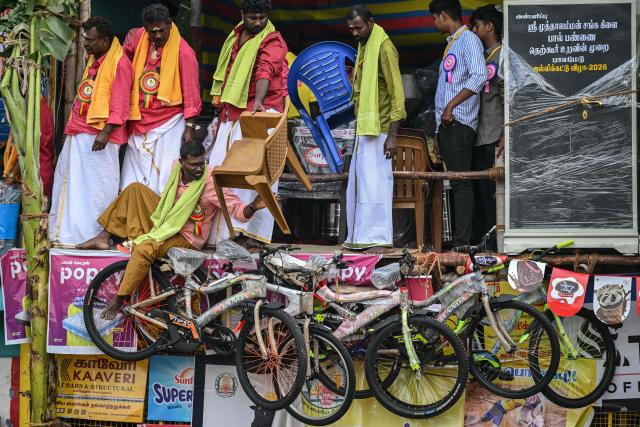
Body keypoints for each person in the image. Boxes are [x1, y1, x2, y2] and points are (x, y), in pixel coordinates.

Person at [78, 141, 268, 319]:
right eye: (193, 165)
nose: (198, 168)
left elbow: (236, 209)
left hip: (185, 238)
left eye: (201, 163)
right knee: (134, 189)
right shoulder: (174, 167)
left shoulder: (210, 182)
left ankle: (120, 298)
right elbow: (165, 202)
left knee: (145, 248)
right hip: (166, 221)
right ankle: (104, 236)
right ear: (181, 162)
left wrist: (252, 206)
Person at [207, 0, 288, 247]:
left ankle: (252, 236)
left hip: (260, 112)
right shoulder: (234, 36)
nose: (257, 22)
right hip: (232, 111)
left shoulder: (273, 40)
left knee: (254, 173)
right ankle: (224, 235)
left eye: (262, 17)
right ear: (243, 15)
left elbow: (266, 70)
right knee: (218, 168)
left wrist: (259, 103)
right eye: (253, 17)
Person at [48, 17, 133, 246]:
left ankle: (94, 236)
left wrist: (105, 132)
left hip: (100, 136)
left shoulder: (120, 63)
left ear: (105, 40)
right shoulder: (95, 59)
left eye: (90, 40)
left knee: (97, 188)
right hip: (80, 130)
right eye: (85, 39)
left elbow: (120, 103)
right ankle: (70, 235)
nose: (85, 44)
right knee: (72, 182)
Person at [342, 5, 406, 254]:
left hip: (380, 129)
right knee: (362, 184)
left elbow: (397, 95)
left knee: (377, 184)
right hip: (365, 127)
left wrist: (393, 136)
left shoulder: (384, 47)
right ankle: (361, 237)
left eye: (359, 28)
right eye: (351, 29)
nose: (355, 33)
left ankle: (378, 239)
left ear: (371, 22)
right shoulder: (364, 45)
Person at [120, 3, 202, 195]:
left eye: (162, 31)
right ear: (145, 28)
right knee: (131, 183)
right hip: (138, 121)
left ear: (170, 23)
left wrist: (189, 128)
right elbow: (123, 57)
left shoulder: (184, 52)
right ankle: (134, 222)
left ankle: (159, 222)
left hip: (169, 124)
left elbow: (192, 94)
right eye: (152, 32)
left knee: (163, 181)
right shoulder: (139, 38)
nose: (157, 36)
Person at [430, 0, 487, 246]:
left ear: (443, 15)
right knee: (457, 182)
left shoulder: (468, 40)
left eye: (434, 17)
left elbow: (479, 76)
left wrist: (452, 106)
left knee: (461, 183)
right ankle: (462, 239)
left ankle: (463, 242)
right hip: (448, 125)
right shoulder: (454, 42)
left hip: (459, 122)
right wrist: (437, 132)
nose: (433, 23)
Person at [471, 4, 503, 249]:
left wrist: (505, 133)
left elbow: (507, 97)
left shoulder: (501, 55)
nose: (474, 30)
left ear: (489, 26)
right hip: (479, 135)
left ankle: (493, 245)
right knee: (481, 194)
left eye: (476, 25)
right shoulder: (480, 56)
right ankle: (483, 243)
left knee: (492, 196)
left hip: (493, 135)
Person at [3, 97, 55, 200]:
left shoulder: (37, 110)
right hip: (37, 172)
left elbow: (30, 149)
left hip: (36, 176)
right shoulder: (39, 107)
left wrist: (12, 176)